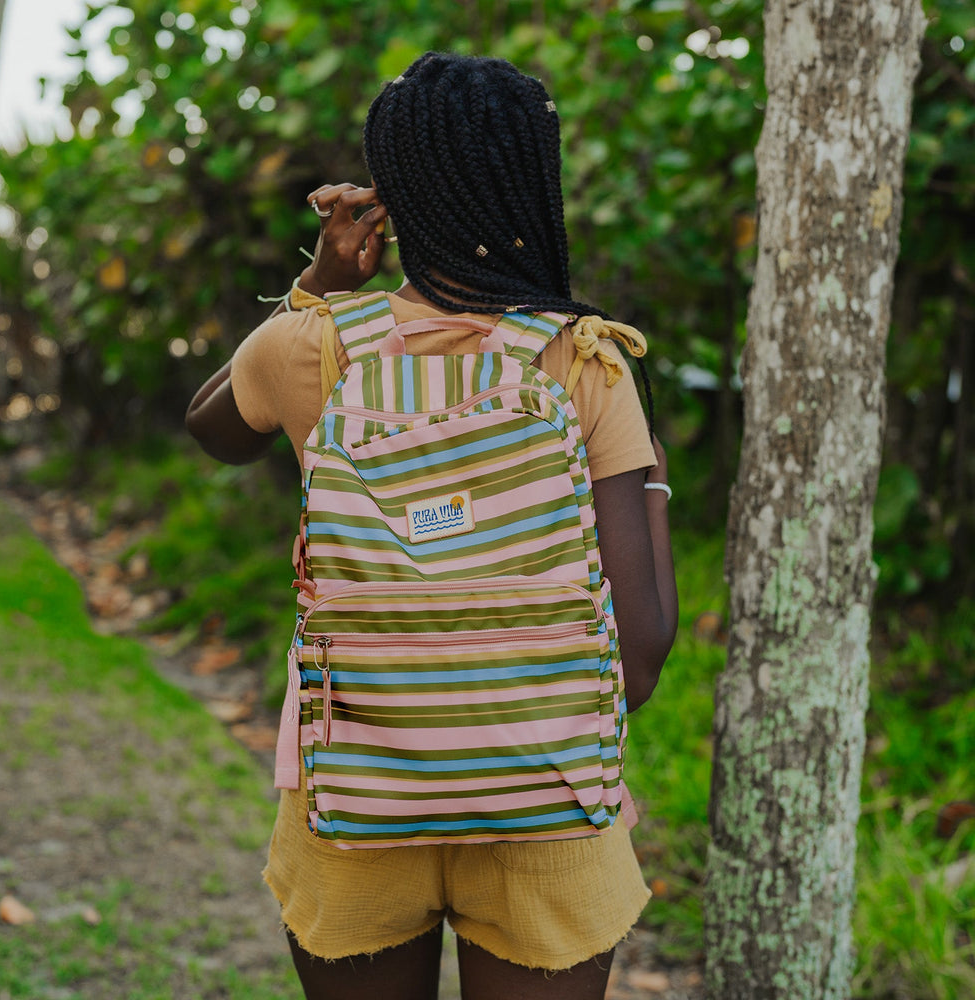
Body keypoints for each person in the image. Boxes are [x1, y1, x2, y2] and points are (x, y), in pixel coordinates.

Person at [186, 52, 677, 1000]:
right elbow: (642, 650)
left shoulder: (312, 345)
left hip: (354, 796)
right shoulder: (585, 362)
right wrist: (648, 481)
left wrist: (321, 283)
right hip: (550, 805)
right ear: (538, 180)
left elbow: (215, 430)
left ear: (393, 195)